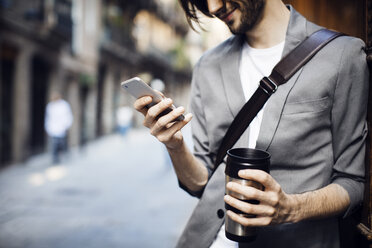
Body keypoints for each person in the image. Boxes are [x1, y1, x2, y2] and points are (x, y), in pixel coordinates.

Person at [134, 0, 369, 247]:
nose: (213, 8)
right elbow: (200, 185)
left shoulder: (342, 55)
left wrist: (291, 209)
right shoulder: (207, 66)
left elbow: (353, 184)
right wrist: (174, 144)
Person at [44, 91, 73, 164]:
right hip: (53, 128)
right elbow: (48, 118)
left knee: (62, 143)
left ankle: (63, 155)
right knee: (54, 144)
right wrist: (48, 127)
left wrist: (67, 125)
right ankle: (55, 158)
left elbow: (68, 116)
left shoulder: (64, 105)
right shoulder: (50, 106)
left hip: (62, 127)